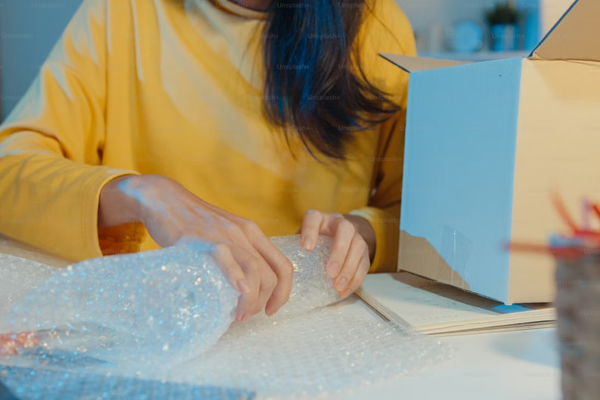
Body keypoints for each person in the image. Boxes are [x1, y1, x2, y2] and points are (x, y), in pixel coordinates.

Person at [0, 0, 415, 322]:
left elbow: (422, 219)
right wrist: (142, 192)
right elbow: (9, 172)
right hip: (152, 322)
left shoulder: (378, 25)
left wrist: (366, 231)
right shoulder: (122, 11)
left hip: (320, 328)